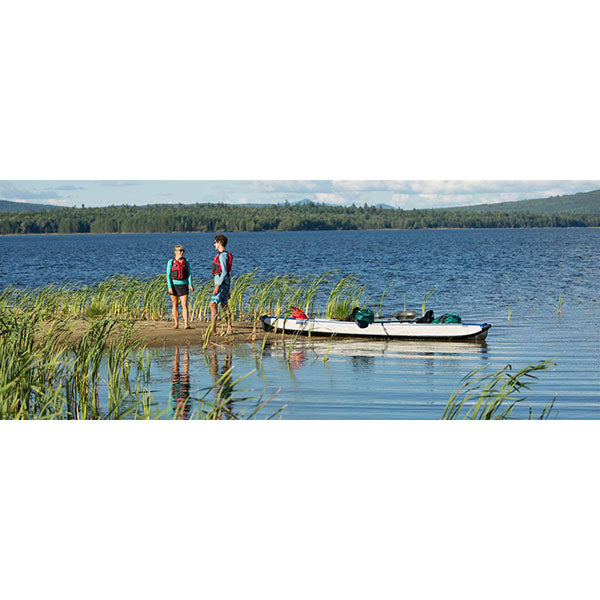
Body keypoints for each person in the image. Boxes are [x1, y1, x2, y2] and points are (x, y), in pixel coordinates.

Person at [209, 234, 233, 336]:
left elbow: (224, 272)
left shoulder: (222, 255)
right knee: (224, 306)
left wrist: (217, 285)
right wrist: (228, 289)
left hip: (221, 285)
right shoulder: (224, 255)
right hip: (225, 285)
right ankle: (229, 328)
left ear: (219, 243)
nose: (214, 244)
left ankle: (213, 330)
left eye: (215, 242)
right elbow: (227, 273)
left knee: (212, 305)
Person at [167, 244, 194, 329]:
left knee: (184, 304)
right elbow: (168, 275)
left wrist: (190, 284)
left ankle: (186, 324)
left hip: (183, 285)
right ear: (175, 252)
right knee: (174, 304)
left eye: (183, 251)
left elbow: (189, 274)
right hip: (174, 286)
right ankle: (176, 324)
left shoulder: (186, 262)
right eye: (180, 250)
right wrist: (169, 287)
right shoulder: (171, 262)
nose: (182, 252)